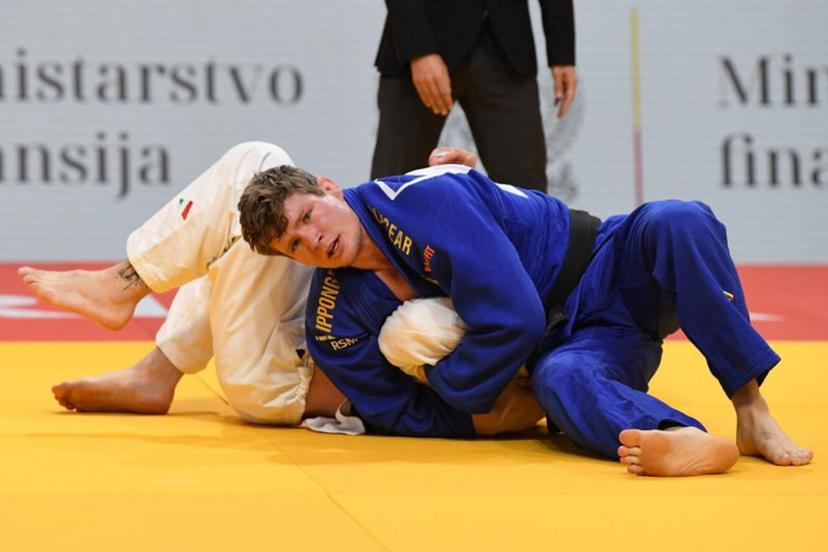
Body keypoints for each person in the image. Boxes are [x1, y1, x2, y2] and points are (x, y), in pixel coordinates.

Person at [239, 157, 814, 476]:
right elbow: (394, 410)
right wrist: (480, 422)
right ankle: (678, 436)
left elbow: (513, 317)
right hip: (571, 345)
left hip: (609, 262)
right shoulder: (334, 319)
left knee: (677, 219)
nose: (313, 240)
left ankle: (750, 408)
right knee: (561, 380)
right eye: (294, 245)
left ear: (330, 189)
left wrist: (452, 385)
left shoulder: (418, 199)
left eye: (309, 216)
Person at [18, 142, 541, 436]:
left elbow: (455, 389)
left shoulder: (504, 338)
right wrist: (459, 188)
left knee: (255, 167)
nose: (311, 235)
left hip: (280, 383)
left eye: (311, 217)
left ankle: (130, 301)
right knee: (249, 220)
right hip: (302, 347)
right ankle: (154, 365)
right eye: (308, 221)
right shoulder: (451, 257)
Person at [371, 0, 577, 192]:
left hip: (507, 46)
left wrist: (562, 52)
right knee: (391, 191)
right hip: (424, 36)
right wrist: (418, 47)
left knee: (527, 197)